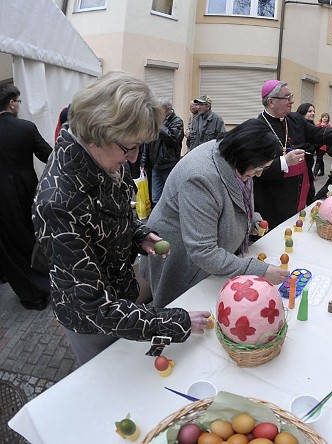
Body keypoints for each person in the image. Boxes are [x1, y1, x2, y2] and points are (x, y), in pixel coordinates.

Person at [32, 72, 212, 364]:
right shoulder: (59, 202)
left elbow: (116, 216)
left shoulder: (104, 159)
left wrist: (138, 235)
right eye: (131, 147)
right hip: (93, 321)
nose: (133, 158)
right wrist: (173, 322)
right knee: (112, 379)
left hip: (121, 294)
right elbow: (91, 307)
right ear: (99, 131)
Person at [140, 118, 290, 308]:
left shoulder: (234, 157)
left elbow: (234, 199)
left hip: (208, 256)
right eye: (258, 168)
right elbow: (203, 250)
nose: (259, 174)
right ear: (244, 155)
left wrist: (251, 220)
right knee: (187, 312)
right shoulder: (200, 177)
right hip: (181, 259)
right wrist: (259, 270)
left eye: (264, 168)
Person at [253, 80, 332, 228]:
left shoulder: (294, 119)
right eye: (287, 97)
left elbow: (320, 133)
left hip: (301, 190)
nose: (292, 101)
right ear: (271, 101)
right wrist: (284, 162)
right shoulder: (256, 128)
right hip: (274, 199)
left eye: (291, 96)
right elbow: (254, 170)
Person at [0, 84, 53, 310]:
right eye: (18, 102)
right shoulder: (26, 127)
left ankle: (25, 288)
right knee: (30, 240)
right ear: (12, 103)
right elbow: (49, 156)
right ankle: (40, 289)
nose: (19, 105)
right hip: (24, 192)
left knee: (8, 243)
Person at [140, 97, 184, 206]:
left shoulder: (177, 121)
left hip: (168, 164)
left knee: (169, 195)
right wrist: (143, 162)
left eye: (159, 109)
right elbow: (148, 142)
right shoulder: (156, 122)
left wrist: (159, 124)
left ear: (168, 109)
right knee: (155, 196)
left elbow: (173, 139)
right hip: (155, 164)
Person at [294, 102, 318, 189]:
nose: (313, 113)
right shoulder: (297, 127)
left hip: (309, 163)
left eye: (313, 111)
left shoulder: (313, 127)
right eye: (310, 111)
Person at [314, 112, 332, 177]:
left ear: (328, 119)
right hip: (316, 145)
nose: (324, 118)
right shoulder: (317, 125)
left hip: (324, 145)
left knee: (318, 158)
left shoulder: (329, 127)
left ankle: (314, 174)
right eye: (323, 117)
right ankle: (322, 171)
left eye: (326, 117)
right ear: (321, 117)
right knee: (320, 158)